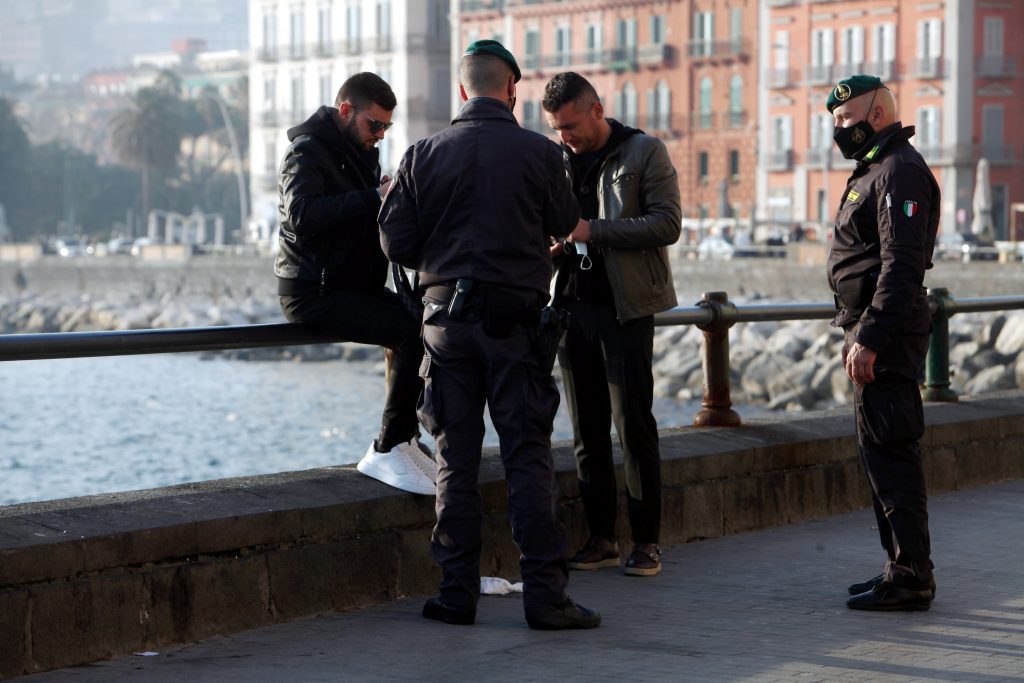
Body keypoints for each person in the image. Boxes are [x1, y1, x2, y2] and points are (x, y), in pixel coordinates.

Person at [379, 40, 600, 630]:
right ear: (511, 90)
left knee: (455, 460)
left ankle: (456, 596)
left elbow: (395, 243)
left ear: (460, 90)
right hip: (516, 325)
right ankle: (546, 599)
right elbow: (565, 222)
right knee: (528, 457)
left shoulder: (422, 153)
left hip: (446, 326)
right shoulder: (539, 153)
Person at [541, 72, 681, 577]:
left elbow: (668, 224)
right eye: (558, 129)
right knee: (586, 430)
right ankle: (600, 538)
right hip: (570, 304)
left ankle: (646, 543)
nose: (566, 137)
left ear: (597, 110)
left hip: (626, 308)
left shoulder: (644, 152)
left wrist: (590, 230)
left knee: (633, 425)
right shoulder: (555, 158)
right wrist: (552, 241)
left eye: (572, 126)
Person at [275, 72, 437, 496]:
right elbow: (302, 216)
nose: (381, 136)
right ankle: (388, 446)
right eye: (375, 125)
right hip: (312, 291)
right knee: (408, 333)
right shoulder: (306, 152)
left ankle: (404, 440)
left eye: (386, 127)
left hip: (351, 286)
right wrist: (373, 197)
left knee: (426, 322)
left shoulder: (360, 152)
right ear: (346, 111)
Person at [825, 74, 940, 611]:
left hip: (886, 337)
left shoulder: (899, 171)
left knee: (892, 457)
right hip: (870, 330)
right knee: (880, 456)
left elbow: (901, 265)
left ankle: (913, 577)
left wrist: (869, 337)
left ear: (876, 115)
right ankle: (897, 568)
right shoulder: (874, 170)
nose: (838, 131)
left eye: (845, 120)